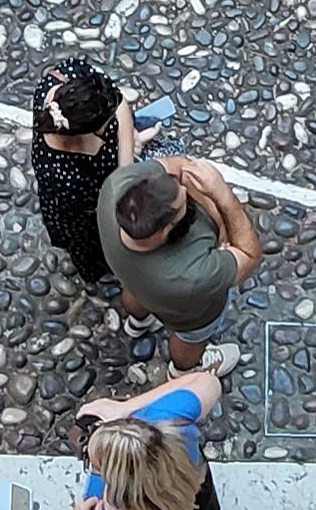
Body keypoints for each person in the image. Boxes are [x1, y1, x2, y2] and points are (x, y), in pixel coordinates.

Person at [95, 154, 258, 372]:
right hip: (188, 313)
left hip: (132, 280)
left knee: (133, 290)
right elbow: (250, 255)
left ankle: (137, 323)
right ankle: (182, 371)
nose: (184, 187)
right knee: (190, 337)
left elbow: (177, 165)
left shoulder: (116, 187)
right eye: (185, 203)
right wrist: (223, 197)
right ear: (165, 231)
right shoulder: (194, 276)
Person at [72, 369, 223, 510]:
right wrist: (125, 408)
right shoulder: (169, 419)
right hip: (190, 494)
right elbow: (208, 382)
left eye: (96, 465)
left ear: (119, 482)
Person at [28, 59, 146, 299]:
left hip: (103, 184)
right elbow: (106, 200)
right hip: (83, 210)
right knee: (90, 242)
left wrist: (127, 149)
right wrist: (130, 153)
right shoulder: (61, 175)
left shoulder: (66, 76)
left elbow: (117, 100)